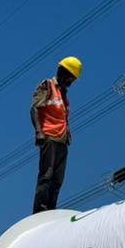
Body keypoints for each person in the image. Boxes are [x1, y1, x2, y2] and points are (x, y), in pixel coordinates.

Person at [31, 56, 81, 213]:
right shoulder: (48, 85)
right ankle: (40, 211)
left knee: (58, 179)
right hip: (49, 136)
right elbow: (34, 109)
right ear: (63, 72)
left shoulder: (64, 94)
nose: (70, 83)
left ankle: (51, 210)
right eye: (70, 78)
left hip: (62, 139)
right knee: (46, 176)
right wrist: (39, 132)